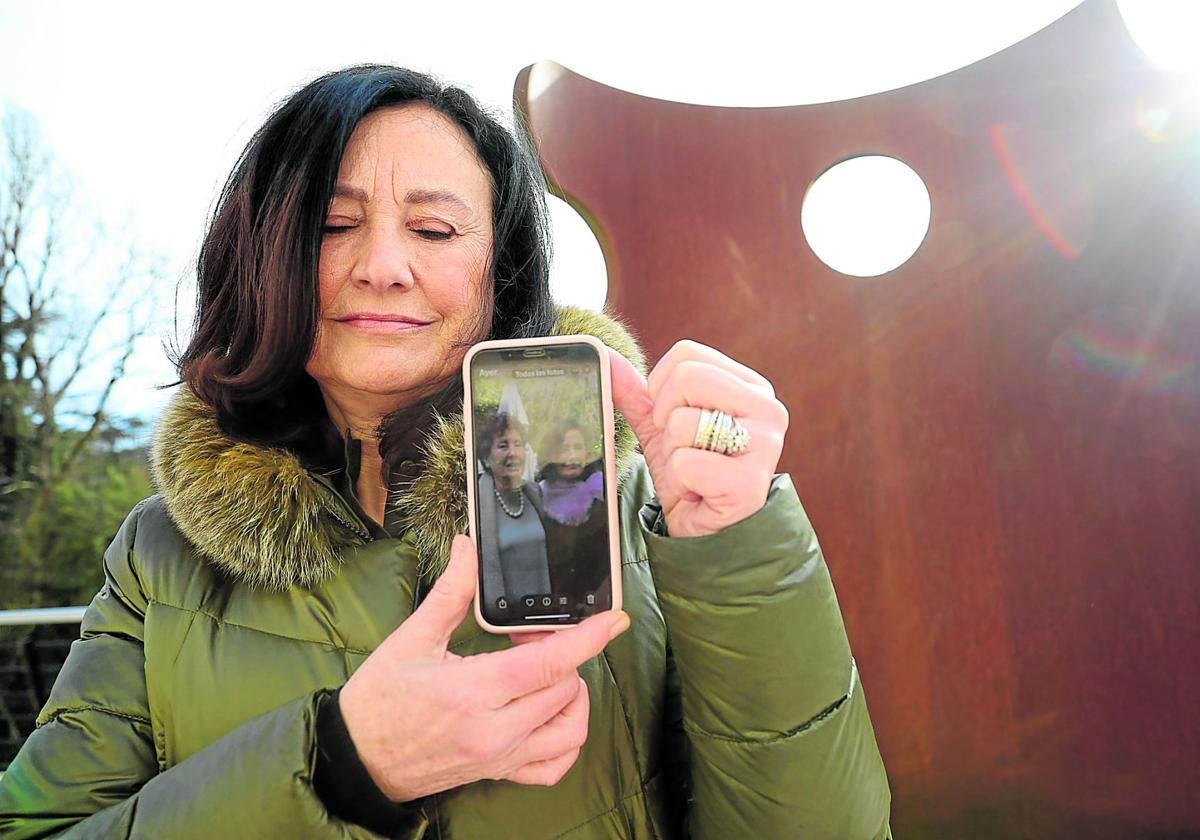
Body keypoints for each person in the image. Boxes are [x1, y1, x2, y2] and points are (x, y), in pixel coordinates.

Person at [0, 64, 892, 838]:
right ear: (263, 254)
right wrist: (343, 768)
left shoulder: (639, 509)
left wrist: (738, 550)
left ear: (497, 271)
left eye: (433, 230)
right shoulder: (158, 560)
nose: (383, 265)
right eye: (332, 224)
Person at [476, 411, 550, 609]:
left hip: (547, 609)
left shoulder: (536, 495)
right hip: (503, 618)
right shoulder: (472, 505)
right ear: (486, 456)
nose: (513, 453)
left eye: (518, 444)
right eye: (503, 445)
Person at [535, 418, 609, 607]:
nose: (572, 456)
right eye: (564, 449)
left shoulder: (603, 491)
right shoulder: (536, 496)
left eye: (578, 447)